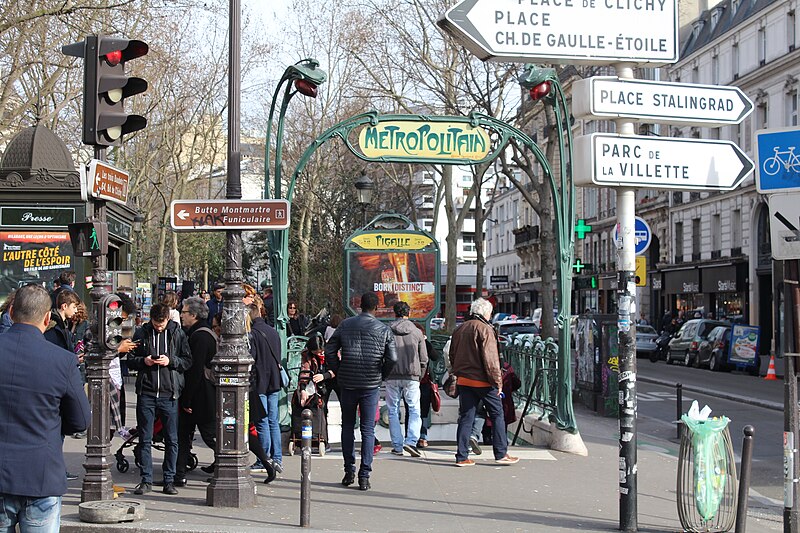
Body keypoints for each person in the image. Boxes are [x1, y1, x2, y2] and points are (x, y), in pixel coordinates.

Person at [0, 283, 90, 532]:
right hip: (40, 474)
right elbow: (81, 421)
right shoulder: (62, 360)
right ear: (47, 318)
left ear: (11, 312)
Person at [325, 291, 397, 491]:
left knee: (347, 426)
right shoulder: (383, 329)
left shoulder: (345, 325)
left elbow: (330, 350)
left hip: (348, 382)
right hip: (370, 384)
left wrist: (339, 370)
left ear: (360, 306)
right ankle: (364, 475)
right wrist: (381, 374)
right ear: (376, 308)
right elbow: (393, 358)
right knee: (368, 429)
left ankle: (349, 470)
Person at [128, 303, 192, 495]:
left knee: (172, 439)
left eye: (161, 324)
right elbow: (130, 359)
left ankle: (169, 480)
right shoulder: (142, 333)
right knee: (145, 438)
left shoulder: (177, 333)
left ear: (167, 320)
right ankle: (146, 480)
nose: (158, 328)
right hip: (147, 393)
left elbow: (187, 360)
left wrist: (170, 361)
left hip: (169, 394)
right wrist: (144, 361)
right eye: (156, 324)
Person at [449, 297, 518, 467]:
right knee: (497, 414)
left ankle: (461, 456)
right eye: (491, 313)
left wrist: (457, 372)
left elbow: (452, 354)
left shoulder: (460, 328)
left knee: (466, 417)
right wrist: (498, 382)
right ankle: (501, 453)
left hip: (464, 380)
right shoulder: (485, 329)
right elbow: (491, 359)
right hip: (483, 381)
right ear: (486, 313)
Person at [176, 296, 218, 486]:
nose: (181, 315)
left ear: (193, 315)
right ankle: (179, 472)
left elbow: (195, 369)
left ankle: (226, 464)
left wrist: (187, 399)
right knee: (185, 434)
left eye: (184, 312)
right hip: (202, 394)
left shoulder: (199, 336)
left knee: (208, 434)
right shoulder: (204, 332)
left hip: (201, 395)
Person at [386, 301, 428, 458]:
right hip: (412, 375)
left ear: (394, 313)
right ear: (408, 313)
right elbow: (424, 358)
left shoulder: (387, 330)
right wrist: (420, 375)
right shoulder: (416, 332)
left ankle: (397, 445)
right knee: (414, 409)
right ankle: (411, 441)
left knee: (393, 410)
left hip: (391, 375)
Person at [249, 302, 284, 474]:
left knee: (262, 421)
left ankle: (263, 459)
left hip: (260, 381)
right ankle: (277, 458)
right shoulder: (273, 331)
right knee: (273, 421)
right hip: (274, 380)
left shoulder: (253, 334)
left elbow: (252, 358)